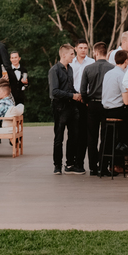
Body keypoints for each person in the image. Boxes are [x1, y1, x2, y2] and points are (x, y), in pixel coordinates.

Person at [49, 44, 84, 175]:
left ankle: (70, 164)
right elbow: (54, 91)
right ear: (63, 55)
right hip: (59, 107)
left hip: (72, 107)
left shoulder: (70, 69)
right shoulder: (54, 70)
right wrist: (72, 95)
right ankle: (57, 165)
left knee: (74, 136)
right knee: (59, 137)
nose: (73, 57)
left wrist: (78, 94)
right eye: (71, 54)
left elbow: (70, 87)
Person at [81, 42, 114, 175]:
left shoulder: (88, 69)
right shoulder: (112, 68)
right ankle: (103, 166)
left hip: (92, 104)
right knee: (105, 136)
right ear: (105, 53)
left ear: (95, 52)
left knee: (92, 136)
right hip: (107, 104)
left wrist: (86, 101)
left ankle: (93, 167)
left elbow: (83, 90)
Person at [100, 50, 128, 175]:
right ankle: (126, 148)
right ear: (126, 61)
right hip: (117, 111)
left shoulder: (108, 73)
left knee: (107, 138)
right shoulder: (122, 75)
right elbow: (126, 101)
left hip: (105, 111)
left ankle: (105, 165)